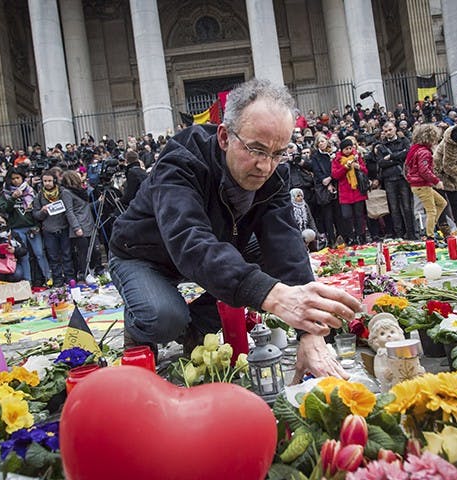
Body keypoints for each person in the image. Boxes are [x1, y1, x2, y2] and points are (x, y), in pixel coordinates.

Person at [108, 79, 362, 381]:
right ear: (225, 136)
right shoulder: (181, 159)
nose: (264, 166)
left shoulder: (274, 175)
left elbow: (285, 247)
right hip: (143, 253)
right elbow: (189, 239)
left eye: (278, 153)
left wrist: (309, 330)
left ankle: (198, 327)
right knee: (165, 318)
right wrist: (275, 296)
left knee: (264, 259)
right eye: (256, 149)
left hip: (211, 247)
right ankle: (140, 325)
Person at [404, 124, 446, 240]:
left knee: (442, 203)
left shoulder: (415, 149)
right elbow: (424, 171)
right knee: (431, 210)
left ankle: (430, 227)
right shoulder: (424, 152)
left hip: (418, 184)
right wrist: (436, 181)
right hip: (422, 185)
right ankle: (430, 235)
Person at [332, 138, 370, 245]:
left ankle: (360, 236)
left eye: (350, 148)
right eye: (346, 149)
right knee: (346, 216)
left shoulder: (357, 157)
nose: (349, 150)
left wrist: (359, 167)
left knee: (359, 215)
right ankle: (350, 236)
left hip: (357, 190)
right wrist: (345, 167)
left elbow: (365, 171)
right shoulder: (337, 160)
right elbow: (335, 175)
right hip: (345, 192)